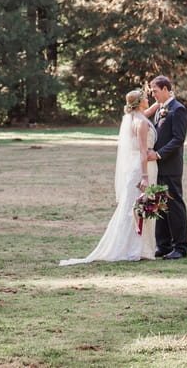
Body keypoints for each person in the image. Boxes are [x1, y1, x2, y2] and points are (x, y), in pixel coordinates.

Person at [59, 89, 158, 264]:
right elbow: (143, 151)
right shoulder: (141, 123)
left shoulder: (134, 118)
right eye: (145, 98)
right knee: (138, 206)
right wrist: (144, 176)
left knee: (136, 206)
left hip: (137, 165)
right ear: (139, 102)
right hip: (142, 168)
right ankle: (133, 248)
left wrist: (161, 103)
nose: (148, 99)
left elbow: (146, 114)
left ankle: (137, 246)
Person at [147, 75, 187, 259]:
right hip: (157, 167)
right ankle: (163, 245)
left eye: (155, 90)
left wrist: (158, 154)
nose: (152, 94)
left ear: (165, 89)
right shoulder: (160, 109)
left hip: (170, 165)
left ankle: (180, 247)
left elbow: (178, 139)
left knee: (174, 204)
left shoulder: (178, 109)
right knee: (159, 205)